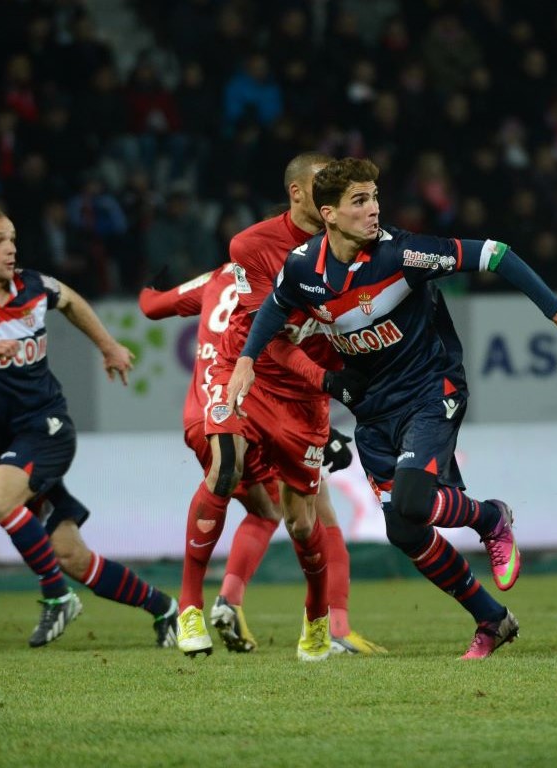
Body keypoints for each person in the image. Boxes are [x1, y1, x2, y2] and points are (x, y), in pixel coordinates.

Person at [224, 157, 557, 658]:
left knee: (411, 503)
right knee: (404, 531)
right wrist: (246, 362)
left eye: (375, 197)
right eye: (360, 201)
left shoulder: (403, 253)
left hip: (431, 390)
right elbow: (275, 307)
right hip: (373, 410)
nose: (374, 209)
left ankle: (489, 518)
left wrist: (556, 312)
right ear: (329, 214)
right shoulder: (303, 266)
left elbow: (495, 254)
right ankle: (491, 619)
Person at [0, 204, 178, 649]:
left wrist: (108, 345)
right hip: (6, 443)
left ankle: (57, 597)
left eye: (12, 239)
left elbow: (72, 301)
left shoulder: (34, 285)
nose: (10, 249)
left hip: (47, 428)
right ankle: (164, 608)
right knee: (71, 555)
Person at [171, 153, 370, 662]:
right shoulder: (252, 245)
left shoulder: (361, 244)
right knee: (226, 467)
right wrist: (330, 380)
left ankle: (318, 618)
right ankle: (189, 608)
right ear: (297, 193)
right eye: (322, 187)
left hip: (303, 403)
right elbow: (274, 337)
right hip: (246, 373)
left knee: (300, 522)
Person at [139, 262, 385, 656]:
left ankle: (224, 601)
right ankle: (332, 625)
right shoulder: (300, 279)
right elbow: (282, 351)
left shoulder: (219, 276)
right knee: (312, 512)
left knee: (265, 507)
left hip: (204, 410)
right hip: (253, 400)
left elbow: (152, 307)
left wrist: (146, 285)